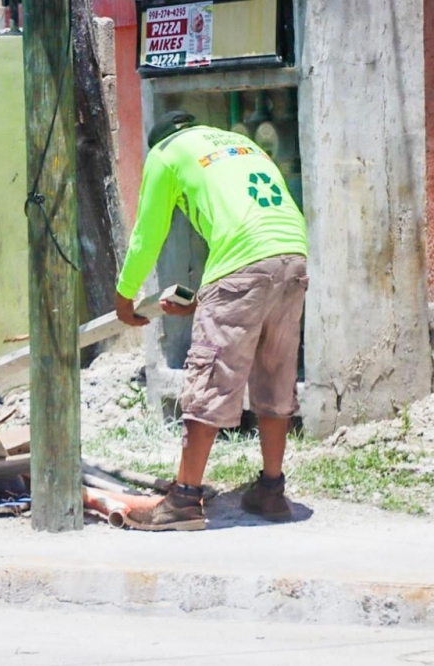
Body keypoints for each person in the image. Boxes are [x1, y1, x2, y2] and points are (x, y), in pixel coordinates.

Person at [114, 111, 309, 531]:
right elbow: (254, 245)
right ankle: (272, 491)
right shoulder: (241, 145)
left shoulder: (165, 153)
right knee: (276, 373)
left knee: (209, 376)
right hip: (293, 253)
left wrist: (125, 295)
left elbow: (147, 234)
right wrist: (204, 301)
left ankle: (184, 499)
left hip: (243, 259)